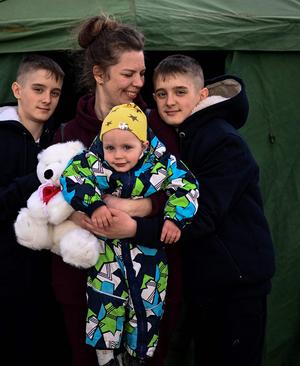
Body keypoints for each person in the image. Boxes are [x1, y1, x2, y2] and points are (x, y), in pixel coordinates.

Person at [51, 14, 182, 366]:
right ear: (99, 74)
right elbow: (47, 199)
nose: (139, 82)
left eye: (141, 72)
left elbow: (177, 190)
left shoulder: (155, 129)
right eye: (128, 74)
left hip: (146, 286)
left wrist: (137, 209)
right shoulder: (67, 135)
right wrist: (75, 210)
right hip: (83, 288)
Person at [151, 54, 276, 366]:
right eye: (162, 93)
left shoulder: (221, 140)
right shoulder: (181, 136)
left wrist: (135, 221)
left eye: (180, 92)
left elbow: (202, 213)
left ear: (201, 94)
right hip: (203, 281)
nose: (170, 102)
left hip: (236, 284)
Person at [59, 103, 199, 365]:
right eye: (110, 147)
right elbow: (72, 177)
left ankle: (139, 355)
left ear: (144, 146)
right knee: (104, 301)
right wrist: (95, 204)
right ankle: (106, 356)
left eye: (127, 147)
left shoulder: (160, 165)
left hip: (148, 259)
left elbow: (187, 186)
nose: (118, 155)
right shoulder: (94, 162)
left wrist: (174, 220)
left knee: (147, 307)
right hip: (106, 259)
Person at [0, 54, 67, 365]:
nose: (46, 99)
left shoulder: (58, 141)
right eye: (38, 89)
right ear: (18, 90)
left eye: (55, 93)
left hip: (38, 282)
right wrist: (35, 180)